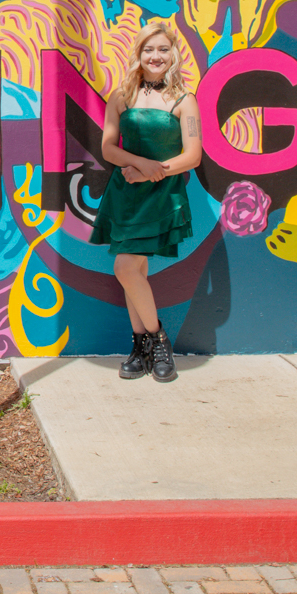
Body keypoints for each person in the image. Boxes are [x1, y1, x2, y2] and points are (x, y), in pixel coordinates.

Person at [89, 21, 202, 384]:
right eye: (148, 50)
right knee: (133, 272)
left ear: (173, 55)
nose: (156, 56)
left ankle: (154, 342)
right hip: (125, 193)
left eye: (163, 50)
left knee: (125, 269)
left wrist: (154, 171)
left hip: (161, 195)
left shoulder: (186, 101)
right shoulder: (121, 96)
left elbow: (193, 156)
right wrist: (138, 165)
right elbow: (108, 148)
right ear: (138, 54)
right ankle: (145, 346)